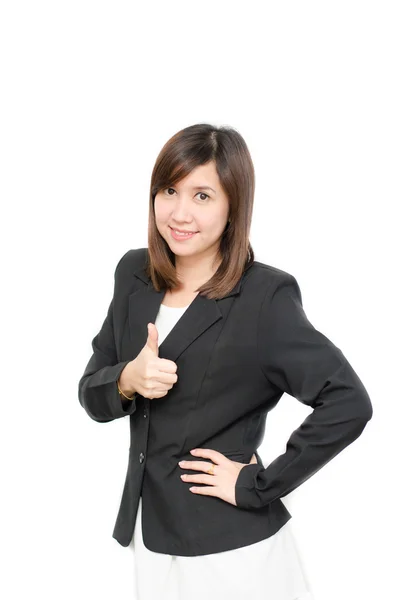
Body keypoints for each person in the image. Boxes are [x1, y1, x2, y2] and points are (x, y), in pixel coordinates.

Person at [78, 123, 373, 600]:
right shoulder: (133, 274)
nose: (178, 213)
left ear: (234, 205)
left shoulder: (264, 298)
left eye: (202, 196)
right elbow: (92, 393)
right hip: (150, 541)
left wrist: (259, 484)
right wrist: (127, 379)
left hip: (234, 555)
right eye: (169, 190)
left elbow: (348, 402)